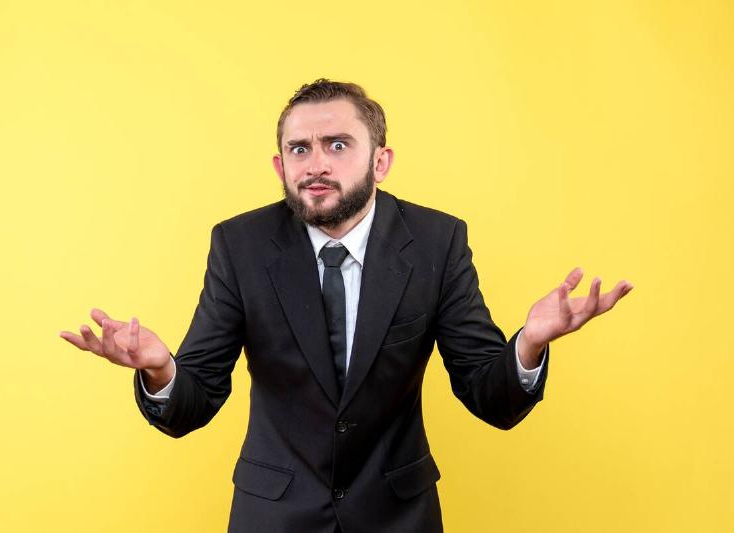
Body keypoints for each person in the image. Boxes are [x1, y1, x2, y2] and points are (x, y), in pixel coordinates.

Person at [60, 79, 633, 533]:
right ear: (280, 166)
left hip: (397, 516)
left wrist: (530, 343)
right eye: (299, 149)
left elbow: (490, 395)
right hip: (274, 517)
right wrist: (161, 370)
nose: (317, 164)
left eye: (338, 145)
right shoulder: (240, 246)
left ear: (380, 162)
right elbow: (195, 401)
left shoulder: (438, 242)